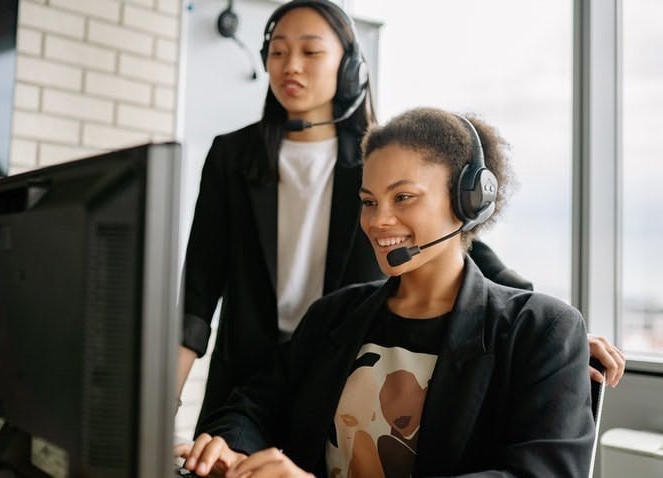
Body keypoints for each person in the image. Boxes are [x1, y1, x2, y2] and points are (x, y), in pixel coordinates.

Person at [178, 0, 625, 429]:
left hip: (340, 366)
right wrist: (166, 397)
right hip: (250, 377)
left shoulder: (378, 159)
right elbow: (198, 289)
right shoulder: (232, 155)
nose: (291, 65)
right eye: (277, 52)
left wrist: (544, 336)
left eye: (311, 51)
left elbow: (457, 241)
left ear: (352, 67)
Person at [176, 107, 596, 477]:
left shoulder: (540, 331)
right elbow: (253, 406)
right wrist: (230, 446)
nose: (379, 221)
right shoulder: (334, 315)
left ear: (467, 202)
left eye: (404, 197)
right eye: (369, 201)